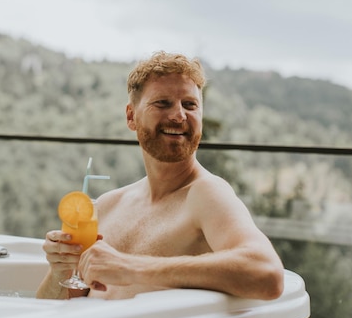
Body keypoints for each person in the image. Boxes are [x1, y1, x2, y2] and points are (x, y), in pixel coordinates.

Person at [36, 51, 284, 301]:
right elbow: (50, 316)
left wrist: (130, 267)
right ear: (131, 116)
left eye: (190, 105)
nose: (179, 115)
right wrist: (61, 269)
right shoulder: (108, 206)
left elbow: (268, 274)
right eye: (163, 103)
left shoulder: (205, 194)